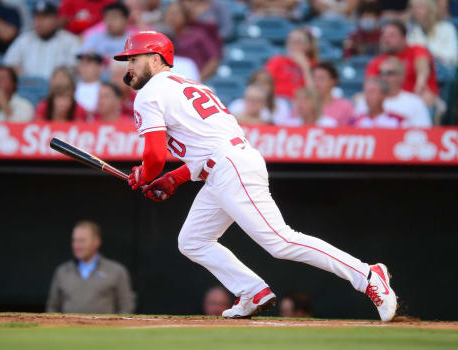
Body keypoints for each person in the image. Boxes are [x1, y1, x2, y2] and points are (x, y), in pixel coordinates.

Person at [114, 31, 398, 321]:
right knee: (193, 240)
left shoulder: (149, 94)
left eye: (134, 58)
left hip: (230, 166)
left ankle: (367, 275)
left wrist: (143, 174)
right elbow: (205, 150)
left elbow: (154, 157)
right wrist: (173, 178)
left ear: (155, 57)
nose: (129, 67)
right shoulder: (189, 85)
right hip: (225, 164)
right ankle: (252, 291)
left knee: (280, 241)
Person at [46, 220, 136, 314]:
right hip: (68, 328)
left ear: (96, 242)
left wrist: (115, 328)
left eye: (81, 241)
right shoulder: (62, 271)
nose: (76, 245)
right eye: (74, 240)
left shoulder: (117, 271)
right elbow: (52, 308)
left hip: (104, 328)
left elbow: (127, 308)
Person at [366, 20, 439, 107]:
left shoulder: (416, 49)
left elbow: (422, 63)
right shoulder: (378, 61)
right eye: (383, 35)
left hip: (420, 98)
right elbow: (371, 83)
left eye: (391, 35)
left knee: (427, 99)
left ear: (403, 37)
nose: (385, 39)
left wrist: (421, 82)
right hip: (390, 102)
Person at [3, 0, 81, 79]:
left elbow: (76, 68)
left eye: (44, 17)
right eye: (36, 17)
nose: (39, 22)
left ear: (56, 19)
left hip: (57, 89)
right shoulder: (24, 40)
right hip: (28, 88)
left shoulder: (70, 41)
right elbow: (8, 63)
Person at [356, 57, 431, 127]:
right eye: (381, 73)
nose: (384, 77)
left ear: (402, 76)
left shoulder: (415, 102)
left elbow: (424, 133)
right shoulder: (365, 100)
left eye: (389, 73)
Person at [162, 1, 221, 81]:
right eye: (169, 13)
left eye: (175, 14)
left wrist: (198, 80)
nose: (171, 17)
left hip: (193, 80)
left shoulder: (199, 34)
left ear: (185, 16)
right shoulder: (161, 36)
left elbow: (214, 59)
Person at [265, 28, 317, 100]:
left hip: (303, 104)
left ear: (308, 46)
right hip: (278, 102)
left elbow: (314, 95)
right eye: (291, 41)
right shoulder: (276, 61)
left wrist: (306, 68)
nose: (293, 44)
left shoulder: (314, 65)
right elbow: (264, 85)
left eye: (298, 42)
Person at [407, 0, 458, 67]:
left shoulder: (446, 28)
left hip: (444, 68)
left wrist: (427, 54)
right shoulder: (411, 30)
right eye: (412, 7)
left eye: (420, 7)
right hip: (420, 66)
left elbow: (452, 57)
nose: (415, 10)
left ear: (431, 9)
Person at [312, 62, 354, 126]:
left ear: (333, 81)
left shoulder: (345, 106)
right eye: (314, 78)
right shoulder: (305, 105)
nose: (316, 83)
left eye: (321, 78)